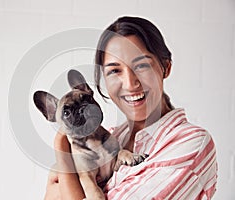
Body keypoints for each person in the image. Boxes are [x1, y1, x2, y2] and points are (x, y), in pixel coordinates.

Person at [44, 16, 217, 200]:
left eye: (141, 65)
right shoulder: (112, 135)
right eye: (115, 71)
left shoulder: (190, 143)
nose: (130, 83)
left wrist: (61, 149)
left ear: (165, 67)